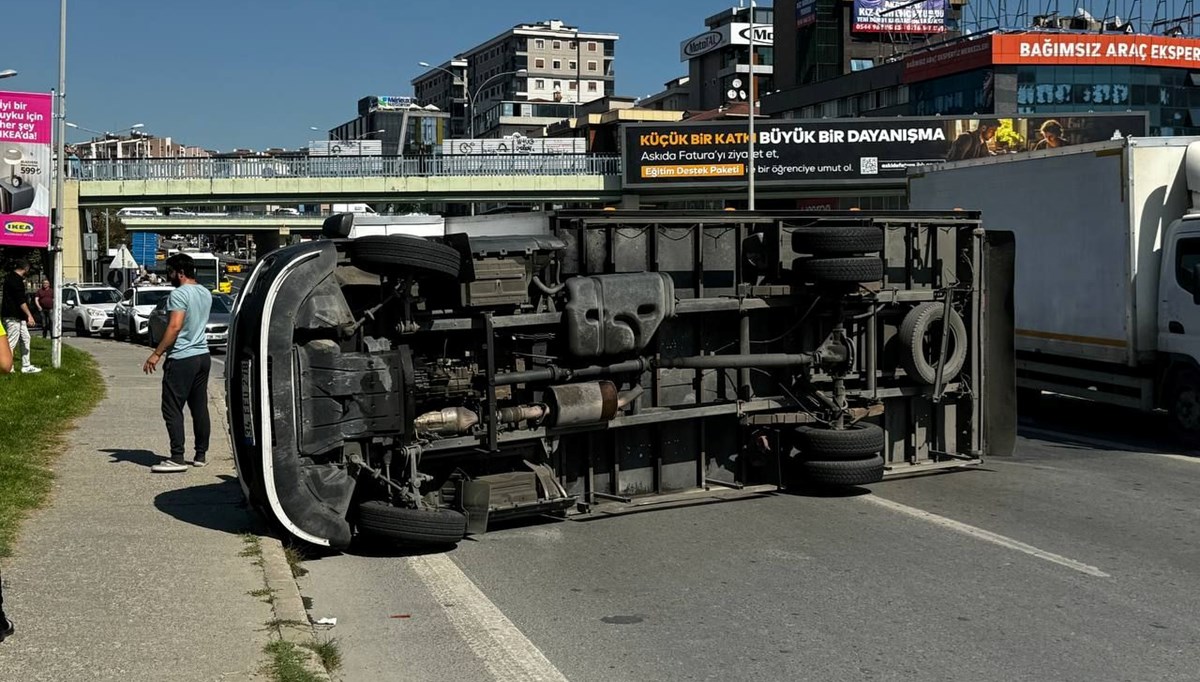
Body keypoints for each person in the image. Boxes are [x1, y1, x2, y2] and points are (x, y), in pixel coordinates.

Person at [143, 253, 212, 473]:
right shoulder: (205, 292)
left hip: (182, 357)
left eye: (170, 272)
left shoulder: (179, 294)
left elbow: (174, 327)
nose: (168, 276)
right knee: (199, 406)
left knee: (171, 407)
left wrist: (157, 353)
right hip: (203, 355)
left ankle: (177, 457)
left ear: (180, 273)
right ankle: (200, 454)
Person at [2, 260, 40, 374]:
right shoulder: (16, 281)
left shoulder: (9, 278)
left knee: (26, 338)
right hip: (13, 315)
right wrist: (30, 315)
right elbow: (21, 301)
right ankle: (8, 367)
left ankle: (26, 365)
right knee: (12, 342)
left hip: (17, 316)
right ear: (26, 269)